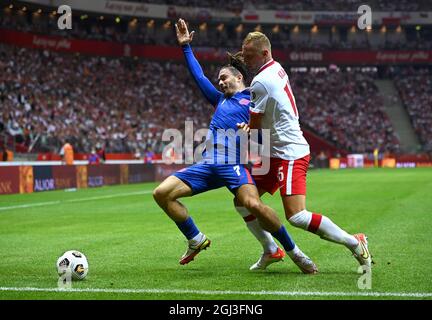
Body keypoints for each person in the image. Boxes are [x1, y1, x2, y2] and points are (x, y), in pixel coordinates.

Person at [153, 18, 317, 274]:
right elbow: (198, 76)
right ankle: (195, 239)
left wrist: (250, 134)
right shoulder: (219, 99)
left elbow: (265, 135)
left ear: (239, 77)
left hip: (233, 166)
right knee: (161, 194)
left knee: (253, 205)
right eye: (218, 80)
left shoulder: (255, 96)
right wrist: (185, 46)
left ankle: (294, 252)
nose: (220, 82)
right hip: (207, 165)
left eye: (224, 78)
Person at [238, 31, 372, 270]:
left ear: (264, 53)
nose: (245, 59)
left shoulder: (260, 82)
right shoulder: (276, 67)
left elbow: (255, 126)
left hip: (289, 151)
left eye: (249, 55)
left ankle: (355, 242)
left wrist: (241, 125)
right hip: (274, 150)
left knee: (297, 216)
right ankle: (270, 249)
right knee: (243, 200)